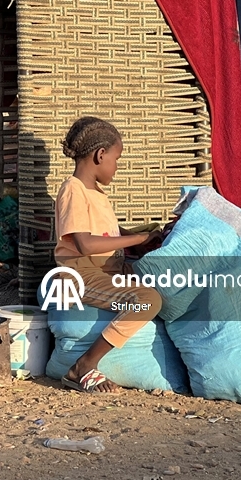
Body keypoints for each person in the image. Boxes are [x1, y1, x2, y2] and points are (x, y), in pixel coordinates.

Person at [53, 117, 164, 394]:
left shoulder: (95, 194)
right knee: (148, 300)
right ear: (100, 155)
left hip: (104, 271)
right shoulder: (73, 190)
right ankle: (84, 365)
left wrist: (143, 241)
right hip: (81, 274)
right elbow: (84, 244)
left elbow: (106, 232)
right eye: (116, 159)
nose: (116, 168)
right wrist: (137, 239)